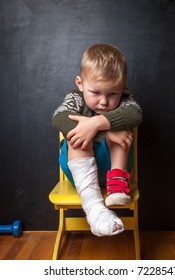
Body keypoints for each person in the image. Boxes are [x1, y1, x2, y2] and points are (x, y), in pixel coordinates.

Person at [52, 43, 143, 237]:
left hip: (115, 168)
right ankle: (94, 209)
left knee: (122, 123)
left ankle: (117, 185)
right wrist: (97, 130)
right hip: (78, 170)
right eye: (95, 93)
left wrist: (97, 124)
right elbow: (59, 117)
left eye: (113, 94)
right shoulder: (75, 98)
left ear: (122, 88)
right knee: (77, 139)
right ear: (80, 84)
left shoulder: (126, 100)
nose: (103, 101)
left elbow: (136, 114)